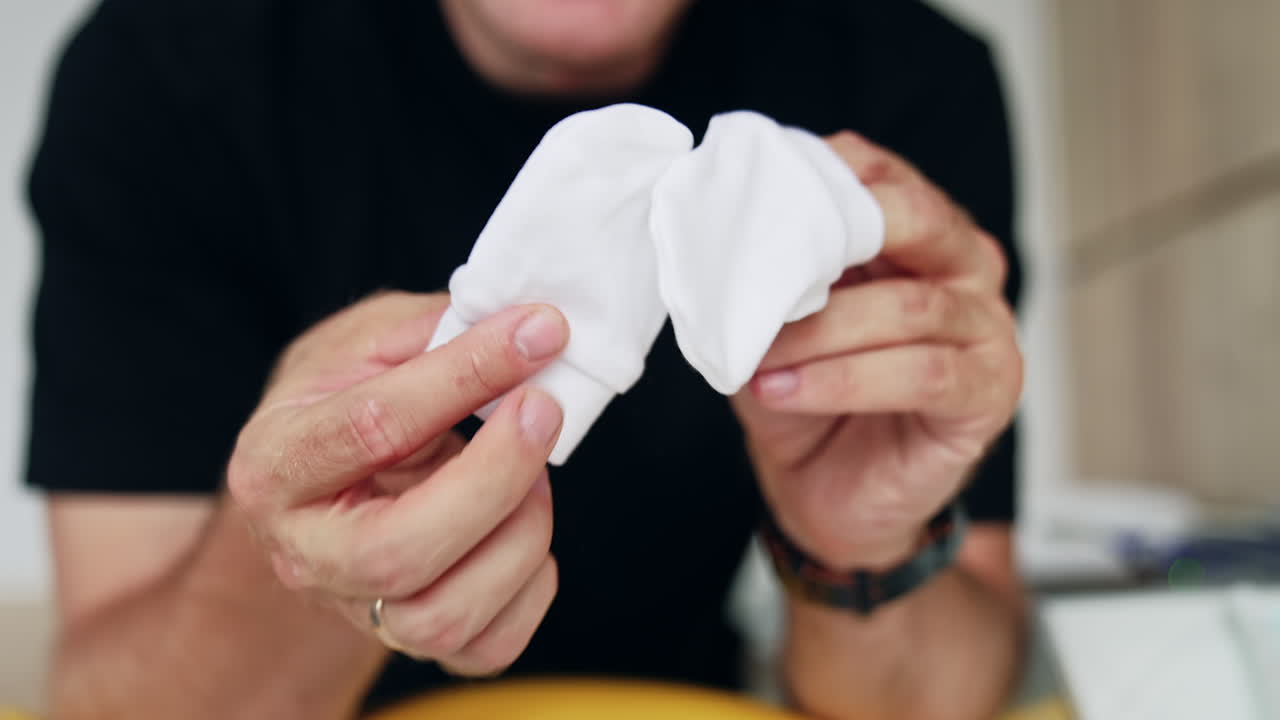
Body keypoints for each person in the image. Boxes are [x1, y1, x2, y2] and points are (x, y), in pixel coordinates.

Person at [25, 0, 1027, 717]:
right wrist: (304, 548)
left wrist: (858, 547)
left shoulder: (895, 87)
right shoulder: (170, 74)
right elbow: (111, 703)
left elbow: (943, 699)